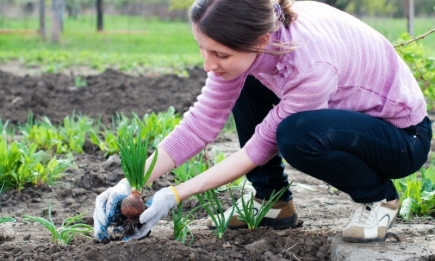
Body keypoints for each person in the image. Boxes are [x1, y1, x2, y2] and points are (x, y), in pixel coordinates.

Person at [93, 0, 432, 244]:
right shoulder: (256, 36)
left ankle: (378, 197)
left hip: (401, 138)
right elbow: (201, 124)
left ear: (261, 42)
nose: (208, 65)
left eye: (220, 54)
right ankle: (273, 202)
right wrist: (132, 182)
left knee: (296, 135)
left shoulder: (310, 65)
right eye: (203, 49)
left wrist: (173, 195)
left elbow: (259, 147)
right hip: (348, 121)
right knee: (246, 77)